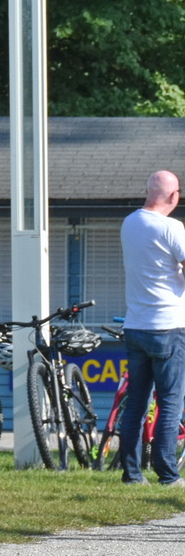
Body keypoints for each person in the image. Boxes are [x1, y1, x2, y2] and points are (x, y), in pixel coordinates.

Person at [117, 170, 185, 485]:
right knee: (170, 403)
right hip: (169, 327)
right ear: (175, 197)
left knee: (137, 402)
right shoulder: (172, 227)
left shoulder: (130, 223)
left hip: (135, 326)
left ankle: (132, 473)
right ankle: (168, 474)